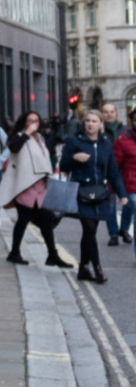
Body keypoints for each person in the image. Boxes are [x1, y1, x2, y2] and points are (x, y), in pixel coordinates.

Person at [60, 110, 128, 285]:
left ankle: (83, 268)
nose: (90, 124)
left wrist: (122, 194)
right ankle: (97, 268)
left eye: (94, 121)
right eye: (87, 121)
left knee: (89, 232)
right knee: (89, 228)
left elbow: (113, 170)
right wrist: (74, 158)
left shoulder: (106, 142)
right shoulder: (74, 141)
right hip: (81, 192)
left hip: (100, 193)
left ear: (100, 124)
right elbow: (63, 165)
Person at [0, 112, 61, 267]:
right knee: (23, 220)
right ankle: (15, 253)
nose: (33, 124)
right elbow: (14, 148)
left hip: (40, 185)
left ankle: (52, 255)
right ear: (23, 123)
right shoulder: (17, 136)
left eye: (36, 121)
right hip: (24, 186)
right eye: (29, 121)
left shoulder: (41, 138)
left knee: (45, 221)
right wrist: (26, 133)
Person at [116, 124, 136, 245]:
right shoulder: (123, 141)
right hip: (132, 184)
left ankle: (123, 229)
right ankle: (117, 232)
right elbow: (115, 167)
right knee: (128, 208)